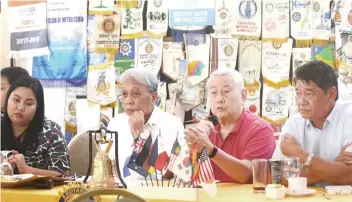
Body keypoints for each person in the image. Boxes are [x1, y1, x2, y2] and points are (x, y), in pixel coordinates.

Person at [184, 68, 276, 183]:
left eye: (226, 92)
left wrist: (210, 149)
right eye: (213, 93)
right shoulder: (205, 130)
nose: (218, 99)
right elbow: (186, 176)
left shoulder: (260, 129)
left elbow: (246, 175)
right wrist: (191, 149)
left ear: (243, 96)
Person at [272, 61, 352, 185]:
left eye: (309, 94)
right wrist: (333, 165)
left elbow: (348, 175)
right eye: (298, 93)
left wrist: (302, 155)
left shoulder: (348, 116)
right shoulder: (294, 123)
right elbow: (275, 175)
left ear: (331, 94)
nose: (301, 101)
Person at [108, 68, 185, 182]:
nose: (128, 101)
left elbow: (165, 175)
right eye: (124, 94)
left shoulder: (171, 124)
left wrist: (138, 136)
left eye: (135, 94)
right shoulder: (115, 123)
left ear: (153, 97)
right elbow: (109, 169)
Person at [1, 76, 70, 176]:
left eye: (28, 103)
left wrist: (27, 170)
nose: (20, 108)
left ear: (37, 107)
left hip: (37, 191)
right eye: (16, 100)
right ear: (7, 99)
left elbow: (64, 174)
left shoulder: (50, 131)